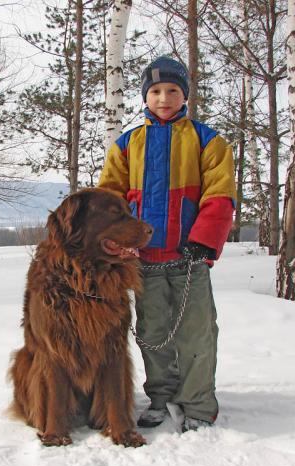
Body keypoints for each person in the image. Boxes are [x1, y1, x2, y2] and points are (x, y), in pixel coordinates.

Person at [98, 55, 236, 432]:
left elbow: (220, 195)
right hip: (143, 259)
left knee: (196, 332)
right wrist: (114, 244)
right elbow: (110, 198)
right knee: (153, 333)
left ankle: (197, 405)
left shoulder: (208, 140)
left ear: (184, 94)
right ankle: (161, 395)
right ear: (145, 96)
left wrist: (203, 241)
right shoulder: (127, 143)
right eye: (155, 91)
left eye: (172, 90)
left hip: (188, 258)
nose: (163, 97)